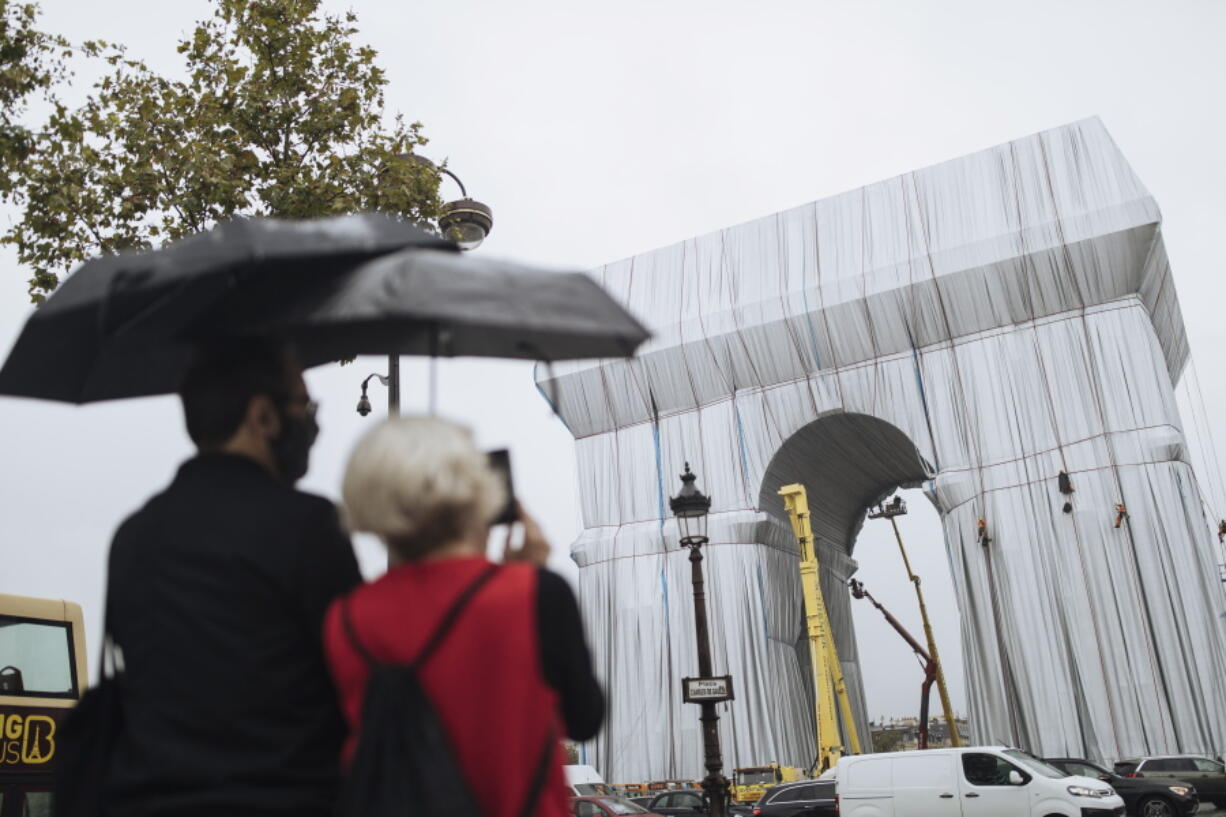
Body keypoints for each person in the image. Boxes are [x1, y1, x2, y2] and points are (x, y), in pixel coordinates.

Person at [103, 341, 362, 817]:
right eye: (304, 406)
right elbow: (357, 678)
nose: (313, 425)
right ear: (262, 417)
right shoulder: (308, 526)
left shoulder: (133, 536)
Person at [324, 417, 604, 817]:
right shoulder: (533, 595)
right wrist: (532, 575)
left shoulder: (344, 619)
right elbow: (585, 718)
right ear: (476, 495)